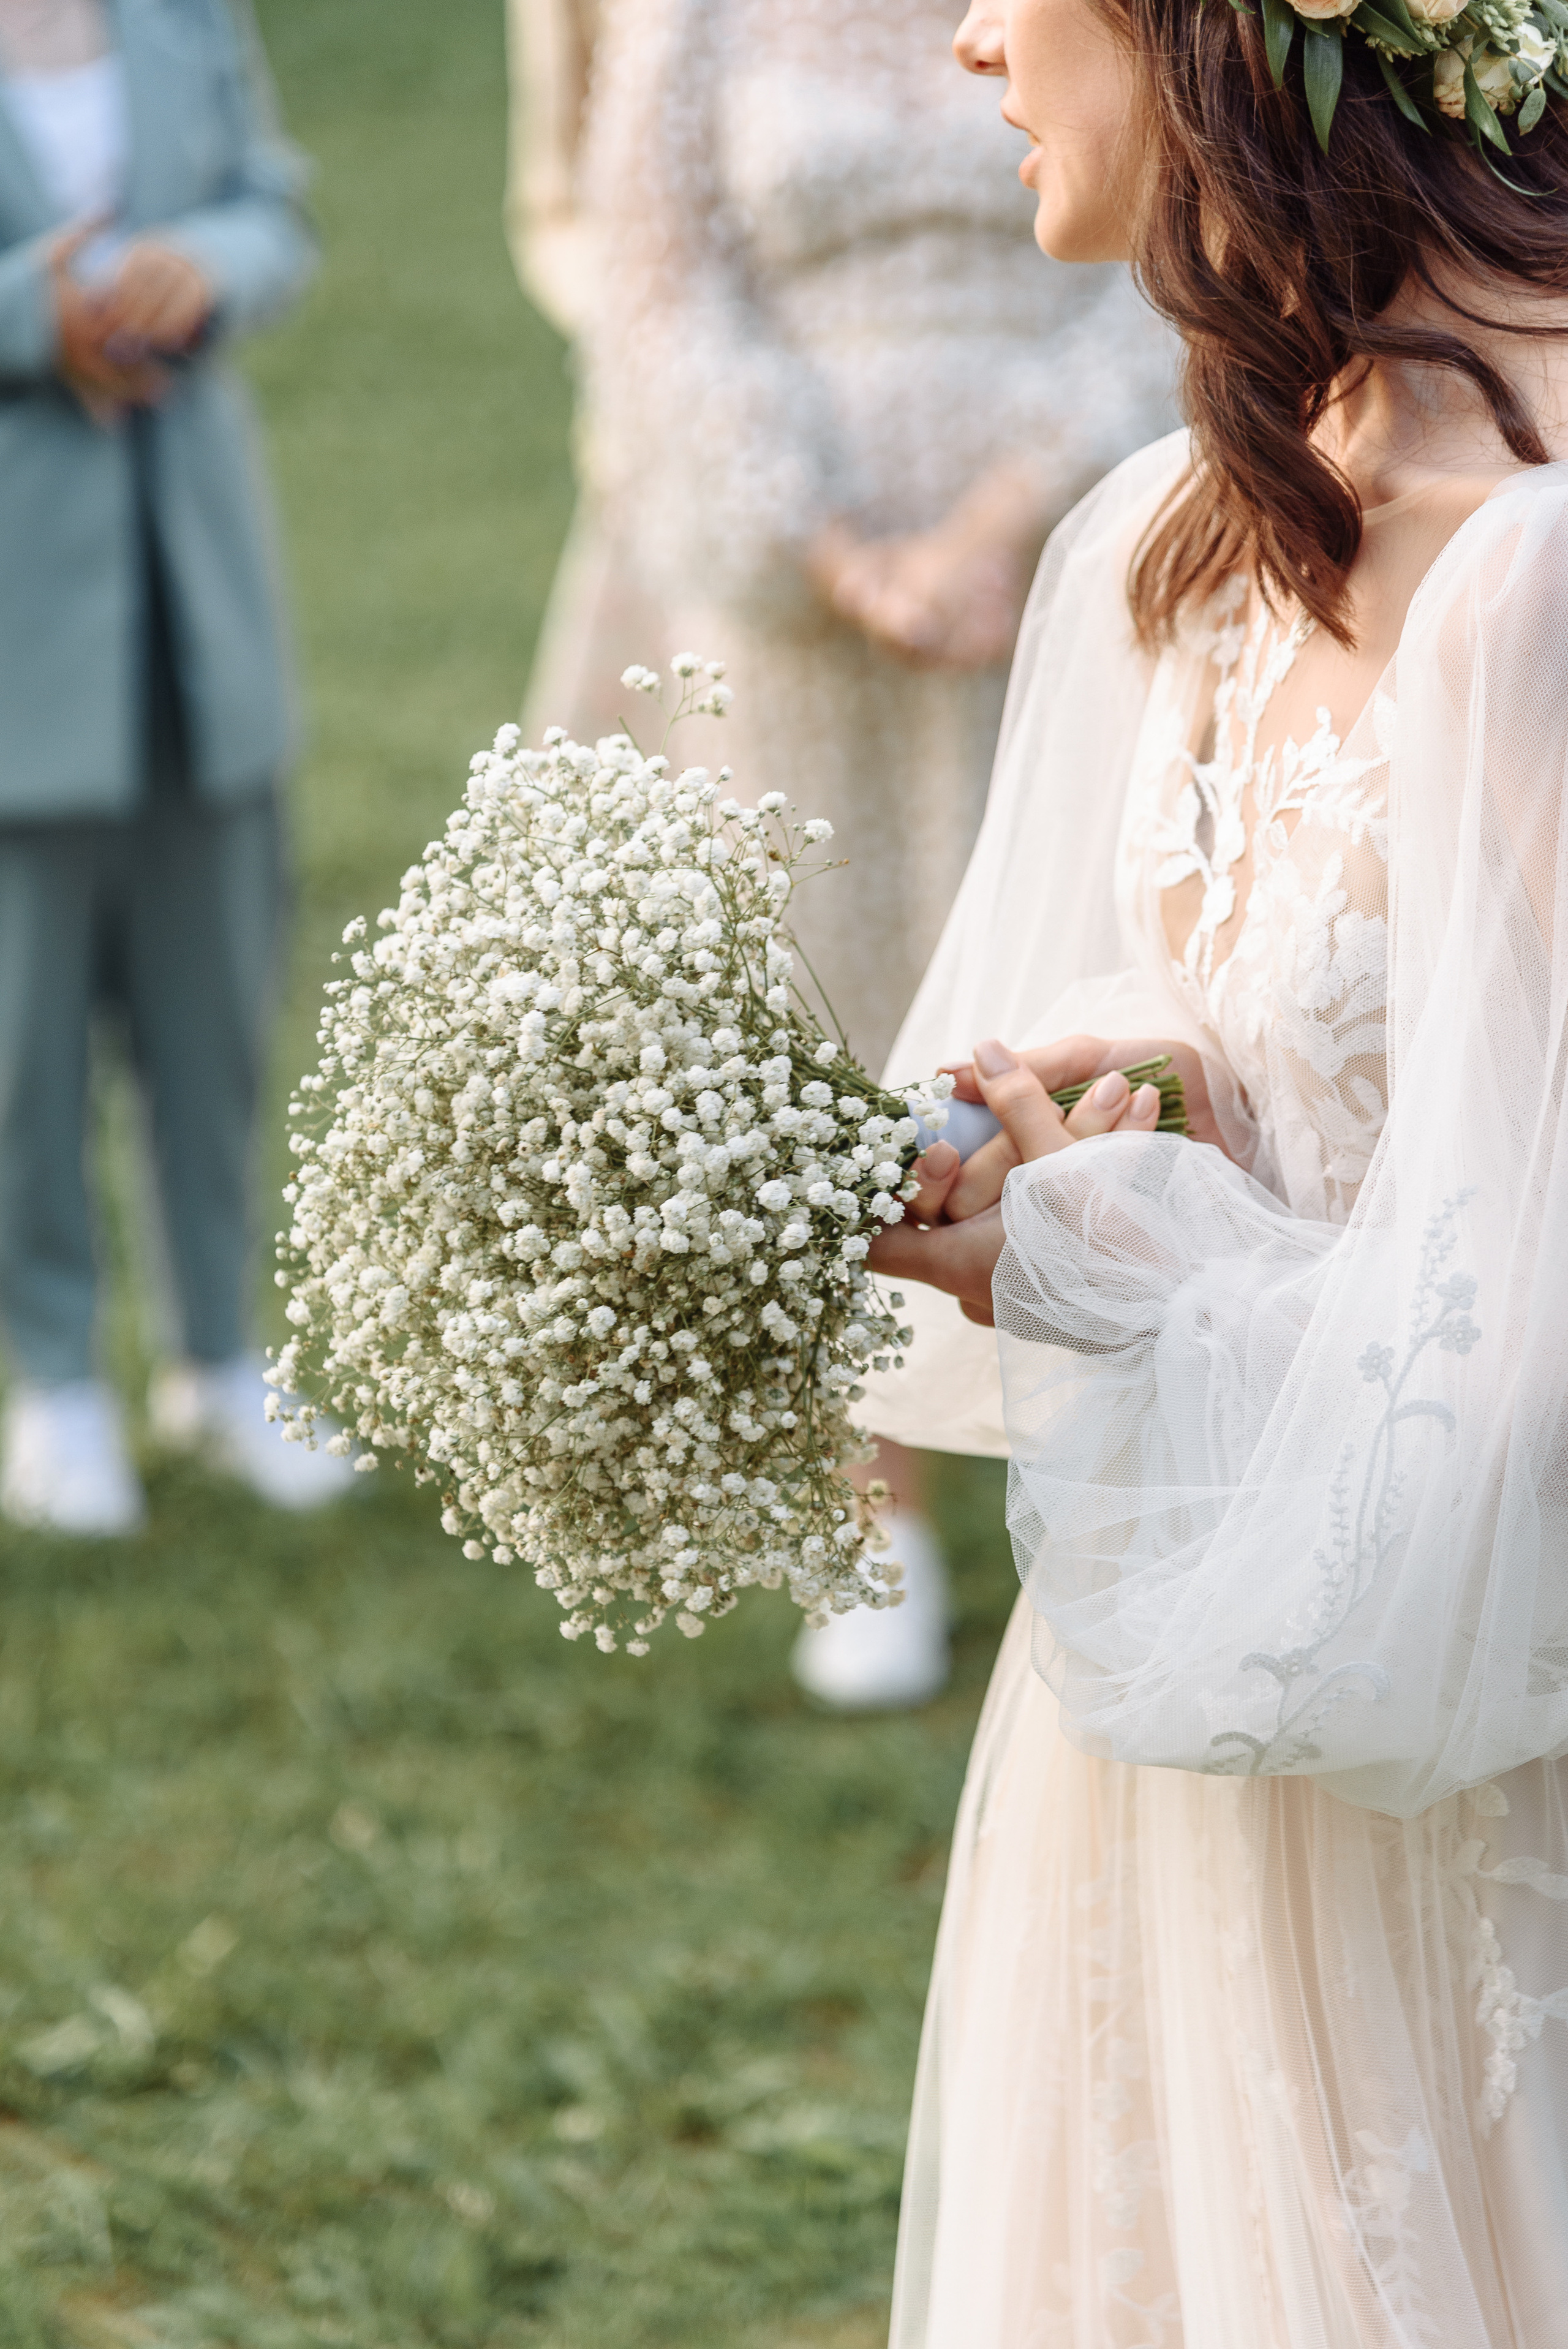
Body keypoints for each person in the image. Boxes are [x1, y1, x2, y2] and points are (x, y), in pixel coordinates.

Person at [859, 0, 1568, 2334]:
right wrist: (1136, 1108)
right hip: (1176, 1735)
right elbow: (1330, 1063)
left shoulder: (1535, 580)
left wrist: (1122, 1261)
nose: (966, 38)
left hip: (1476, 1772)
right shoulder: (1181, 533)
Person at [507, 0, 1176, 1708]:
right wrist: (821, 543)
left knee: (1073, 996)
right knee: (811, 997)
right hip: (781, 596)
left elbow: (1163, 248)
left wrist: (1006, 520)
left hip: (1062, 565)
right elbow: (660, 292)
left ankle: (1100, 1440)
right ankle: (862, 1495)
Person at [0, 0, 352, 1534]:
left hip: (197, 590)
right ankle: (56, 1381)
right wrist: (35, 314)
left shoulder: (181, 13)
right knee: (21, 1040)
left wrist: (203, 267)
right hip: (21, 615)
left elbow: (273, 208)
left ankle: (217, 1358)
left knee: (215, 1013)